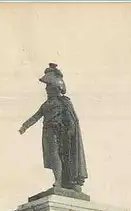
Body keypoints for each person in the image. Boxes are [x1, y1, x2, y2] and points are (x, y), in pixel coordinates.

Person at [19, 63, 87, 191]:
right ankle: (59, 180)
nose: (46, 89)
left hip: (61, 133)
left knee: (59, 156)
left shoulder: (63, 102)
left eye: (49, 86)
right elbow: (36, 116)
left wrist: (71, 130)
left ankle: (60, 181)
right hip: (48, 133)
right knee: (54, 156)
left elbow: (72, 119)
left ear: (56, 88)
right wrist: (25, 126)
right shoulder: (46, 104)